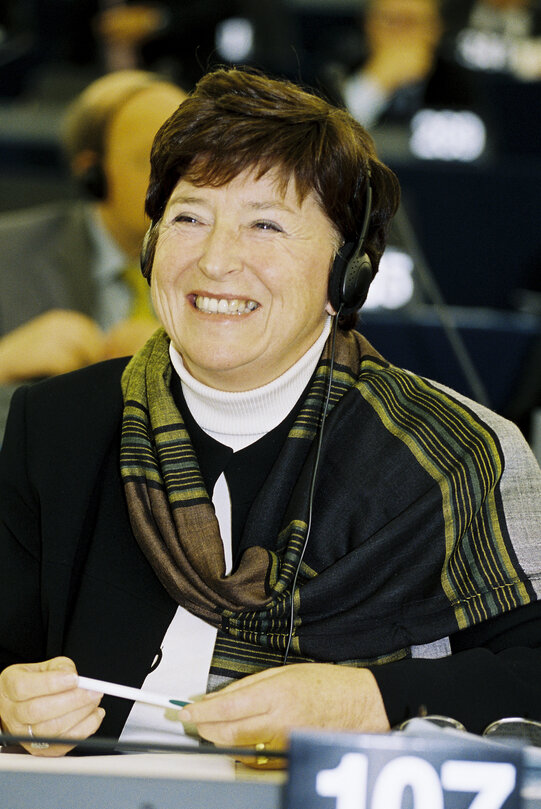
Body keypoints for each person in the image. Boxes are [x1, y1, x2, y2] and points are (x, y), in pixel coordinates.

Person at [0, 66, 540, 765]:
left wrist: (368, 699)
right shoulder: (59, 424)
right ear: (150, 243)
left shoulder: (455, 453)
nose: (217, 261)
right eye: (190, 217)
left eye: (265, 225)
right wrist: (10, 696)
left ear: (346, 273)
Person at [0, 69, 187, 438]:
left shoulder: (230, 268)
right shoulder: (8, 254)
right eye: (150, 161)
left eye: (190, 162)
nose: (177, 183)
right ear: (92, 173)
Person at [330, 0, 474, 128]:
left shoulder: (460, 84)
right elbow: (331, 139)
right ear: (368, 25)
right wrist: (376, 83)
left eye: (412, 22)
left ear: (435, 30)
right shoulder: (336, 73)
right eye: (391, 21)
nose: (400, 33)